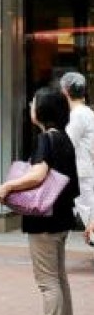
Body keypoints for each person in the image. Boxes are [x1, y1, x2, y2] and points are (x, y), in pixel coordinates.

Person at [0, 87, 80, 315]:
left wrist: (7, 187)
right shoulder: (64, 139)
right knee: (59, 278)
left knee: (47, 280)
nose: (30, 106)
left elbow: (38, 175)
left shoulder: (45, 139)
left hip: (43, 219)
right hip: (62, 218)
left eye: (34, 103)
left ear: (43, 110)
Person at [61, 72, 94, 229]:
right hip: (85, 168)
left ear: (66, 91)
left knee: (88, 213)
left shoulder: (78, 114)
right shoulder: (87, 112)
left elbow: (67, 143)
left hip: (81, 171)